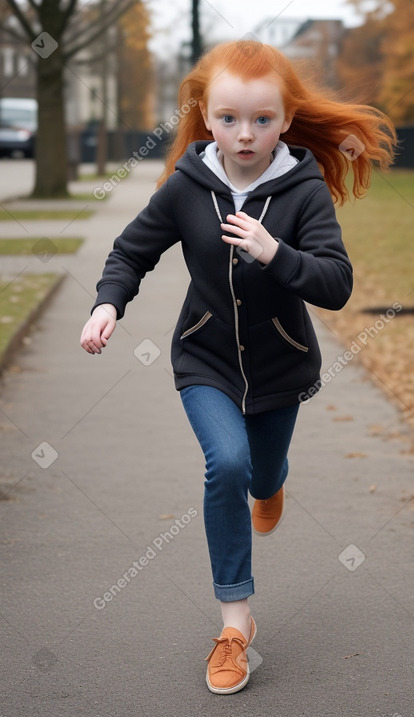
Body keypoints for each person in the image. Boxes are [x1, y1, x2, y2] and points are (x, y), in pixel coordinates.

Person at [80, 39, 396, 695]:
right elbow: (130, 252)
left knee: (262, 469)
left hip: (282, 366)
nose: (244, 134)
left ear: (284, 119)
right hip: (205, 359)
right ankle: (234, 624)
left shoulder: (304, 189)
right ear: (204, 114)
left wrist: (275, 251)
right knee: (226, 462)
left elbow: (335, 283)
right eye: (228, 119)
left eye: (260, 119)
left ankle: (271, 481)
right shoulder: (188, 186)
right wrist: (107, 304)